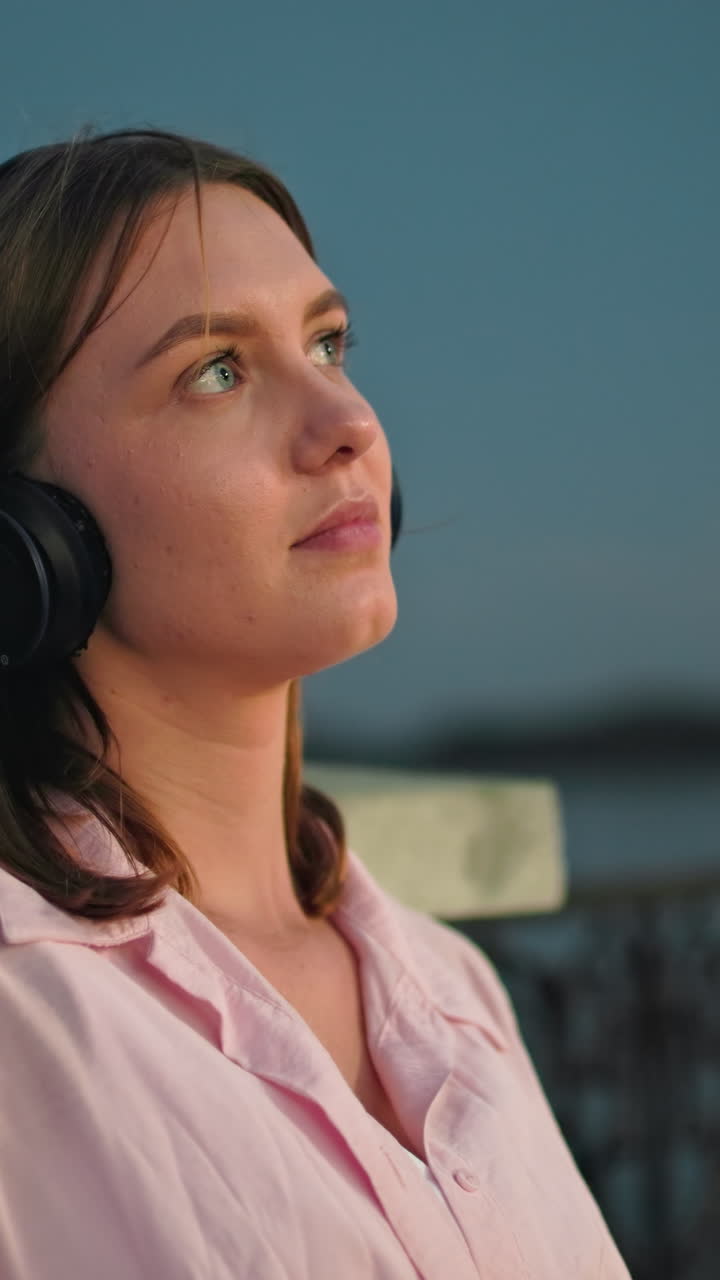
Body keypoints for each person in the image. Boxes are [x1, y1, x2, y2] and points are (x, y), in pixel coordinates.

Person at [0, 127, 630, 1279]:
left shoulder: (452, 987)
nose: (349, 425)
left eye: (328, 343)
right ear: (27, 537)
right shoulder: (25, 1018)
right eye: (217, 371)